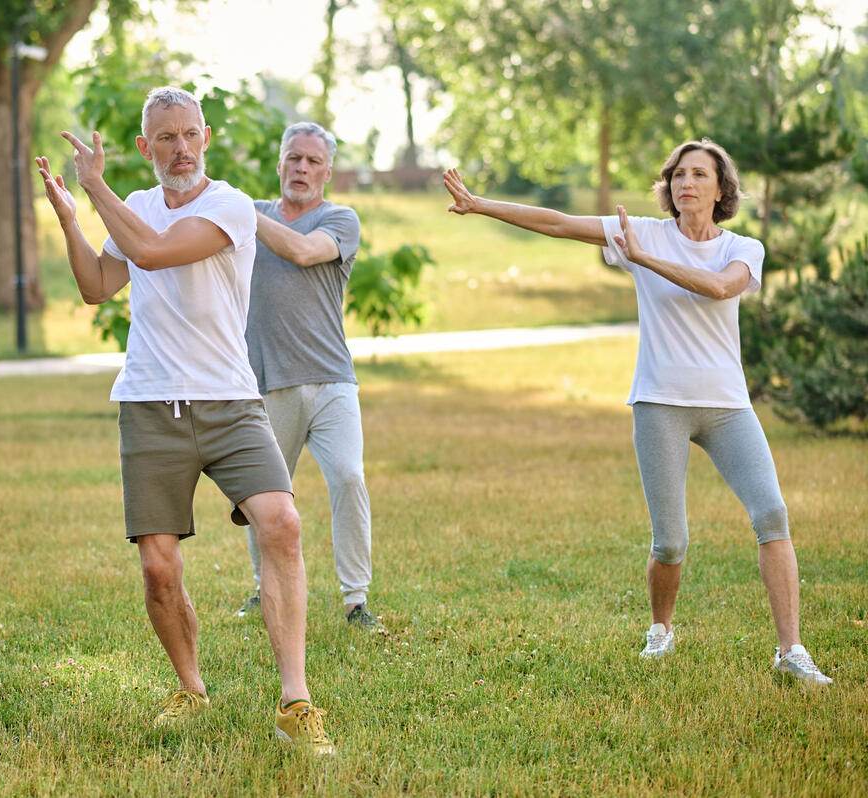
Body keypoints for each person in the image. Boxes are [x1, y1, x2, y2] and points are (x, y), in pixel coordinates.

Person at [442, 139, 832, 685]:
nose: (685, 183)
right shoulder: (640, 230)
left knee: (771, 515)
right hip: (660, 403)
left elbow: (721, 288)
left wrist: (645, 259)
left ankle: (791, 650)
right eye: (677, 174)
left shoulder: (741, 247)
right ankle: (661, 630)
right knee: (670, 540)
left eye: (699, 174)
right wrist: (482, 204)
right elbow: (557, 223)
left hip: (726, 407)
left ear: (722, 189)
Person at [36, 87, 336, 753]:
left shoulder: (228, 205)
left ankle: (295, 700)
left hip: (230, 400)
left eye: (190, 135)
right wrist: (69, 218)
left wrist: (95, 190)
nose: (180, 149)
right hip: (149, 401)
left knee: (281, 524)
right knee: (159, 567)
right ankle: (191, 689)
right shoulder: (135, 207)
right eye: (165, 138)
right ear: (146, 148)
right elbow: (97, 285)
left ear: (205, 138)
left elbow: (152, 252)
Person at [239, 121, 377, 630]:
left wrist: (243, 212)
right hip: (267, 380)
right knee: (263, 492)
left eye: (313, 162)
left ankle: (355, 599)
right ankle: (262, 587)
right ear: (280, 164)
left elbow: (300, 252)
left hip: (331, 379)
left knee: (349, 476)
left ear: (327, 173)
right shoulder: (248, 215)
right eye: (294, 158)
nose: (302, 168)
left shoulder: (340, 220)